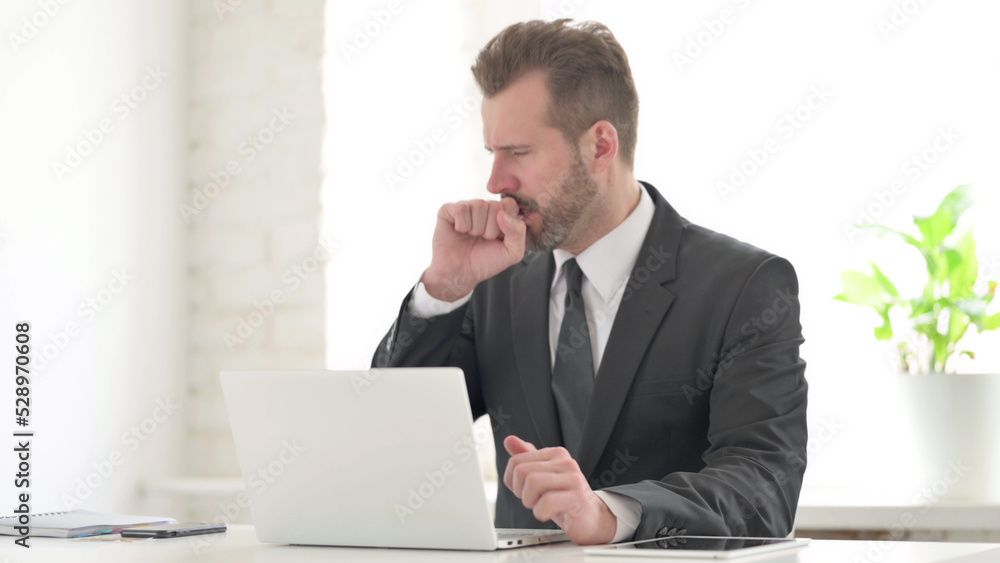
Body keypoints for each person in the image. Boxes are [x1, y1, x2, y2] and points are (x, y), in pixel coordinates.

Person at [373, 19, 807, 545]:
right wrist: (442, 289)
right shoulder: (493, 281)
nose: (495, 183)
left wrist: (609, 513)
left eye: (519, 152)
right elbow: (394, 431)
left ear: (601, 146)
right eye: (492, 153)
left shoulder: (743, 286)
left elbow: (764, 487)